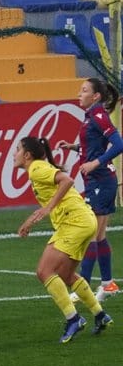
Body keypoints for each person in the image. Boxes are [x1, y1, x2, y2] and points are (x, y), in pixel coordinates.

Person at [15, 134, 112, 341]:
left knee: (44, 271)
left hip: (74, 222)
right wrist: (30, 221)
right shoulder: (39, 168)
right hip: (84, 220)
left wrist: (48, 208)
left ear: (27, 155)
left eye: (17, 150)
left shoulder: (36, 168)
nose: (15, 154)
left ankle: (73, 319)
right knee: (67, 275)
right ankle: (100, 314)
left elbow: (67, 181)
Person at [56, 77, 123, 298]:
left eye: (84, 90)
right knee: (99, 235)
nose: (79, 93)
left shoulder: (98, 116)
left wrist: (96, 162)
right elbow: (95, 145)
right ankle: (108, 283)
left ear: (96, 96)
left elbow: (119, 143)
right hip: (98, 181)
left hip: (101, 181)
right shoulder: (91, 117)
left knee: (90, 235)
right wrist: (75, 147)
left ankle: (81, 285)